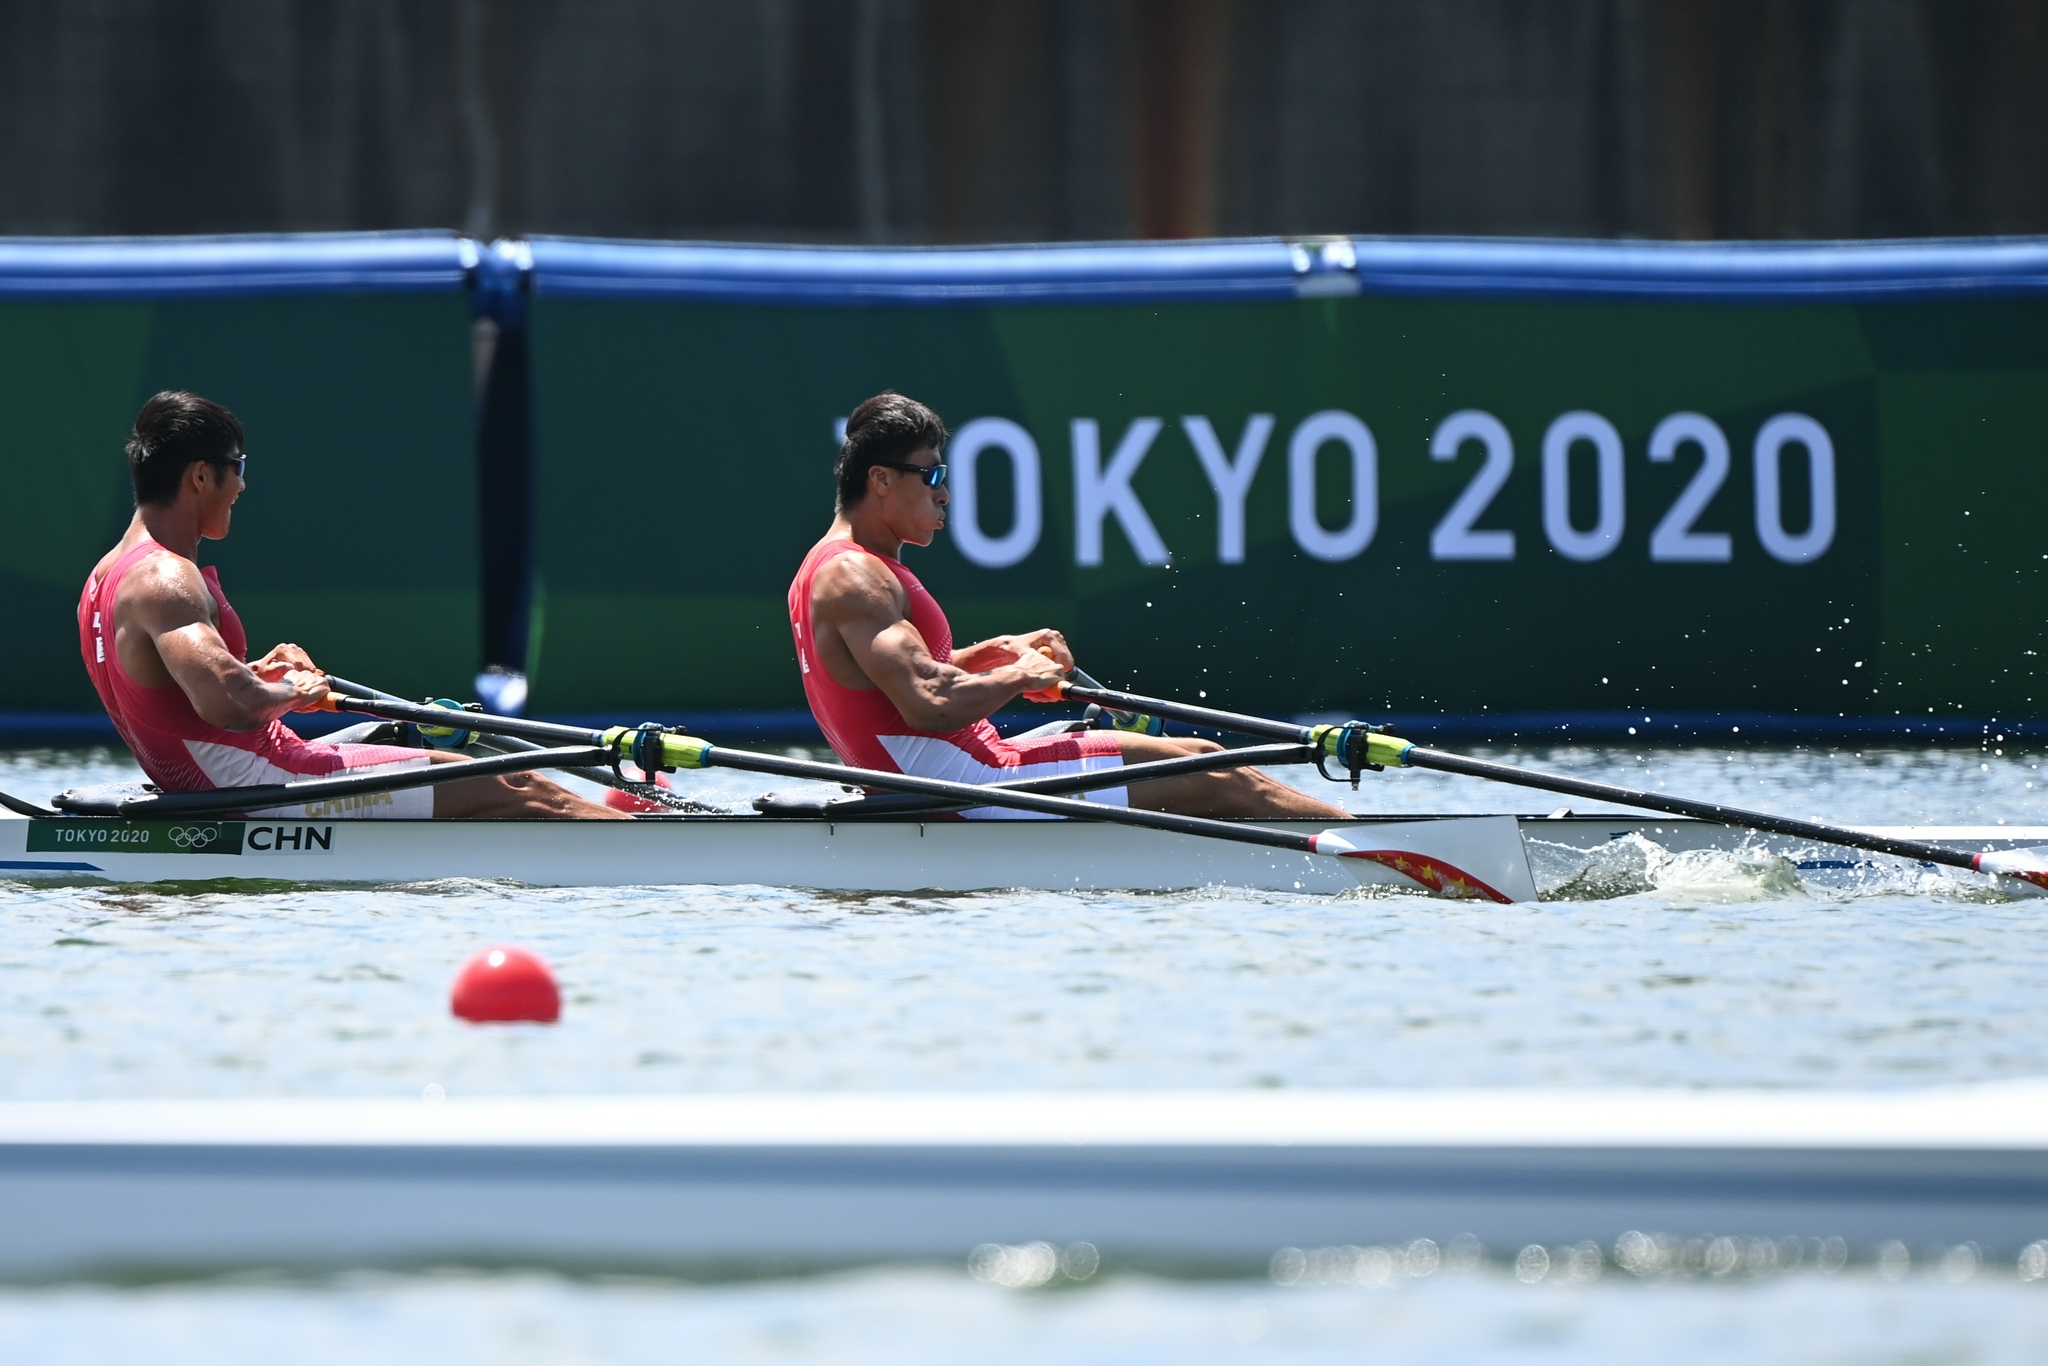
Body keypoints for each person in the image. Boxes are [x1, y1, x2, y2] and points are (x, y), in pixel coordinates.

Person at [789, 391, 1347, 820]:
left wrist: (993, 655)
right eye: (931, 474)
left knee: (1191, 750)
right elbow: (929, 704)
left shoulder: (832, 564)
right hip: (966, 784)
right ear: (881, 479)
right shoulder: (855, 574)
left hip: (958, 767)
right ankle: (1389, 850)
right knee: (1217, 772)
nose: (945, 493)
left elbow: (889, 687)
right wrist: (1019, 674)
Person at [78, 391, 622, 820]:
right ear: (200, 475)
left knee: (403, 733)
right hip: (259, 786)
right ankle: (673, 855)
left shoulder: (106, 576)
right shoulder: (165, 577)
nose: (243, 485)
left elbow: (175, 695)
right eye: (238, 466)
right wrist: (292, 690)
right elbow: (229, 704)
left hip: (233, 772)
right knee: (517, 782)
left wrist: (254, 674)